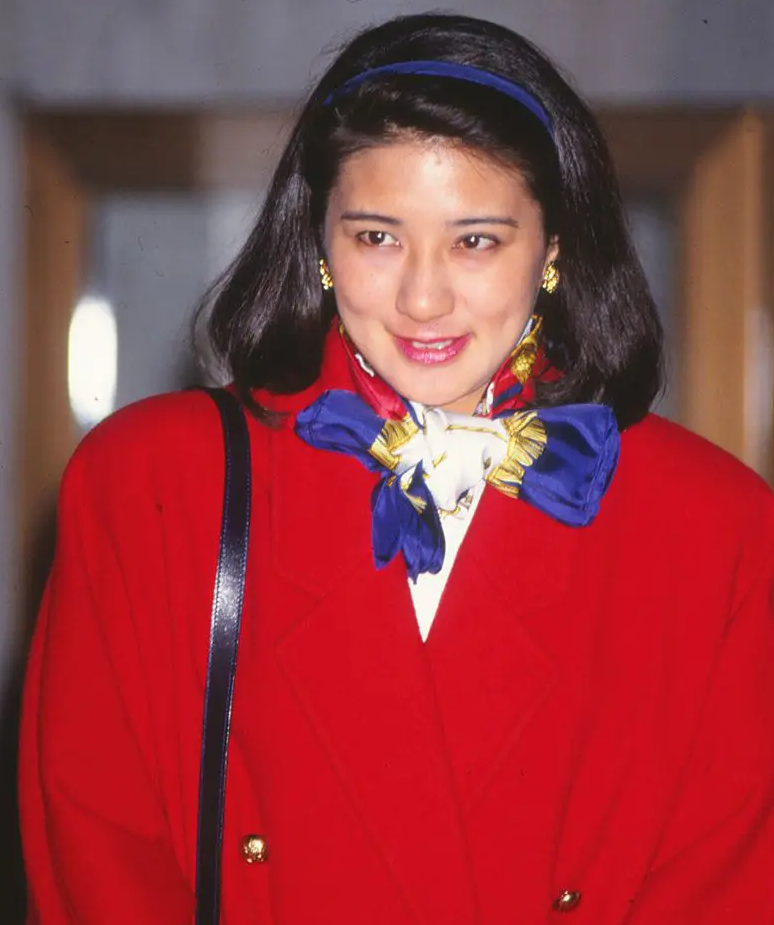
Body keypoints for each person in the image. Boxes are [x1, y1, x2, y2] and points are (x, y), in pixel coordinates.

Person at [19, 12, 774, 925]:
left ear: (553, 251)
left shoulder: (715, 526)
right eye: (377, 236)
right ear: (320, 243)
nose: (423, 297)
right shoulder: (150, 485)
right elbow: (99, 854)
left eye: (476, 240)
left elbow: (728, 882)